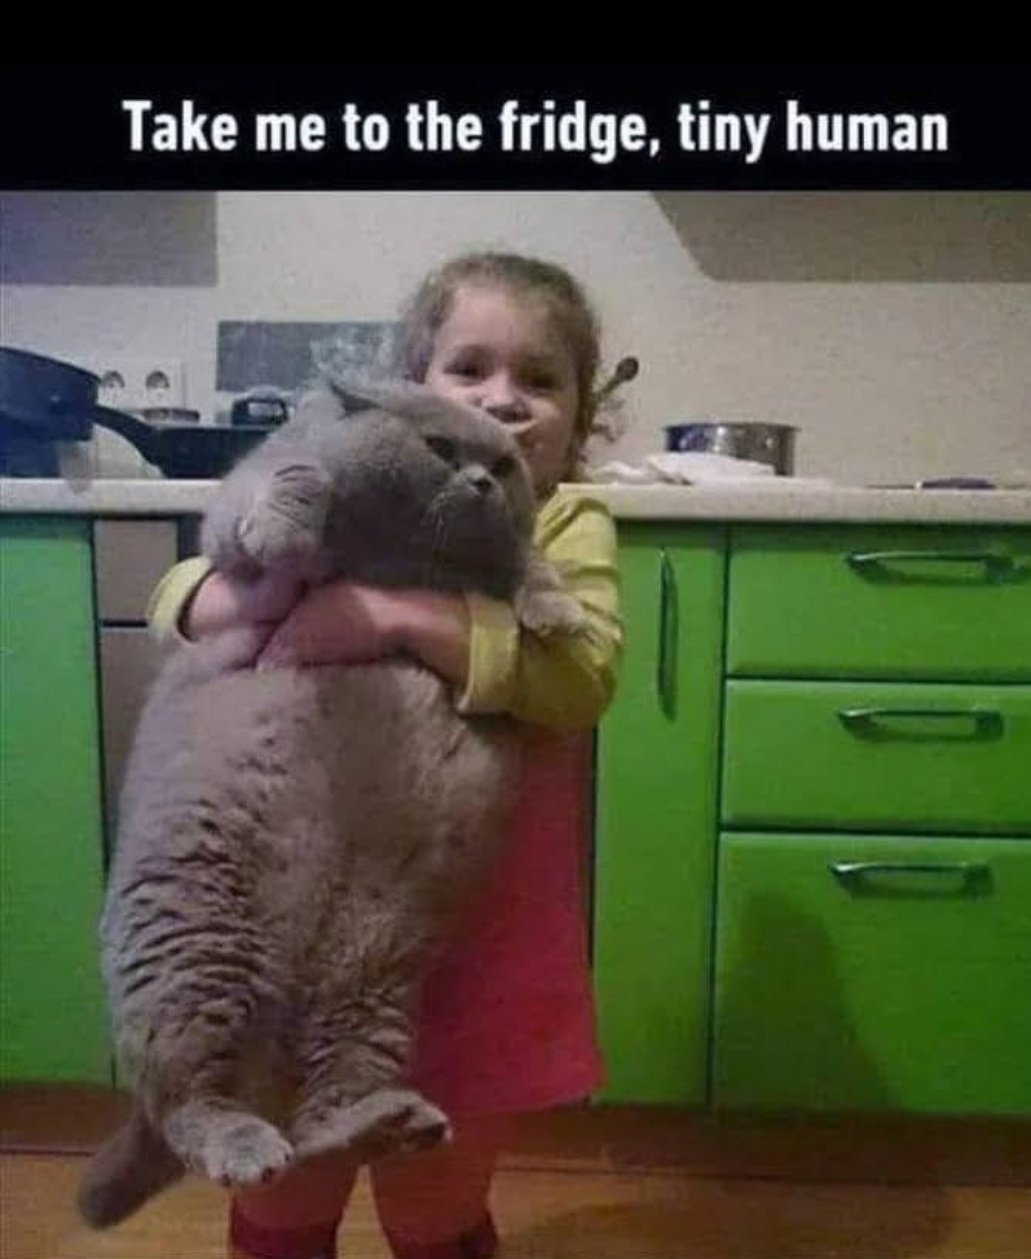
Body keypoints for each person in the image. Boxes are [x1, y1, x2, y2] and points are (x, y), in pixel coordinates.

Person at [146, 252, 624, 1259]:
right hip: (291, 936)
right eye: (469, 368)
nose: (503, 398)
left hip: (476, 941)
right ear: (410, 392)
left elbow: (580, 674)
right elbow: (179, 592)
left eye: (541, 379)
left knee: (434, 1213)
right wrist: (253, 598)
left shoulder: (567, 522)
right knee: (282, 1203)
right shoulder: (346, 491)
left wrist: (393, 616)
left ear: (582, 415)